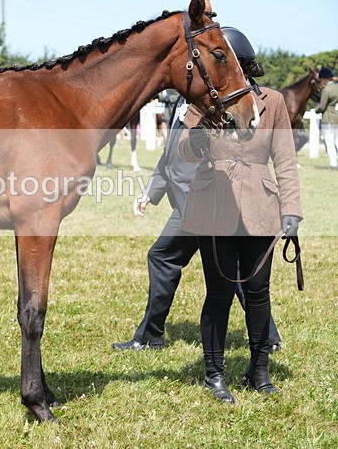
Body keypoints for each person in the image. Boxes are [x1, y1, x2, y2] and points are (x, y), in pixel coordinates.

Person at [178, 26, 303, 404]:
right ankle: (213, 374)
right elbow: (183, 152)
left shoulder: (273, 101)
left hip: (260, 205)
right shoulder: (203, 100)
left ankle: (259, 371)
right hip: (214, 202)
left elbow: (285, 159)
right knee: (218, 293)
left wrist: (291, 209)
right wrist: (199, 132)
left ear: (242, 63)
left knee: (259, 291)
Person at [112, 86, 281, 352]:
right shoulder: (182, 100)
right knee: (214, 265)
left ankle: (150, 336)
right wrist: (151, 191)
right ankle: (268, 338)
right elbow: (170, 154)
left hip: (202, 201)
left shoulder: (209, 101)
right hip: (188, 202)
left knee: (174, 259)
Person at [315, 66, 338, 170]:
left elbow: (322, 106)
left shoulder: (326, 90)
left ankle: (333, 165)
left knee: (330, 142)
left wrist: (316, 110)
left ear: (324, 78)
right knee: (337, 141)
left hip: (328, 118)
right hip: (337, 118)